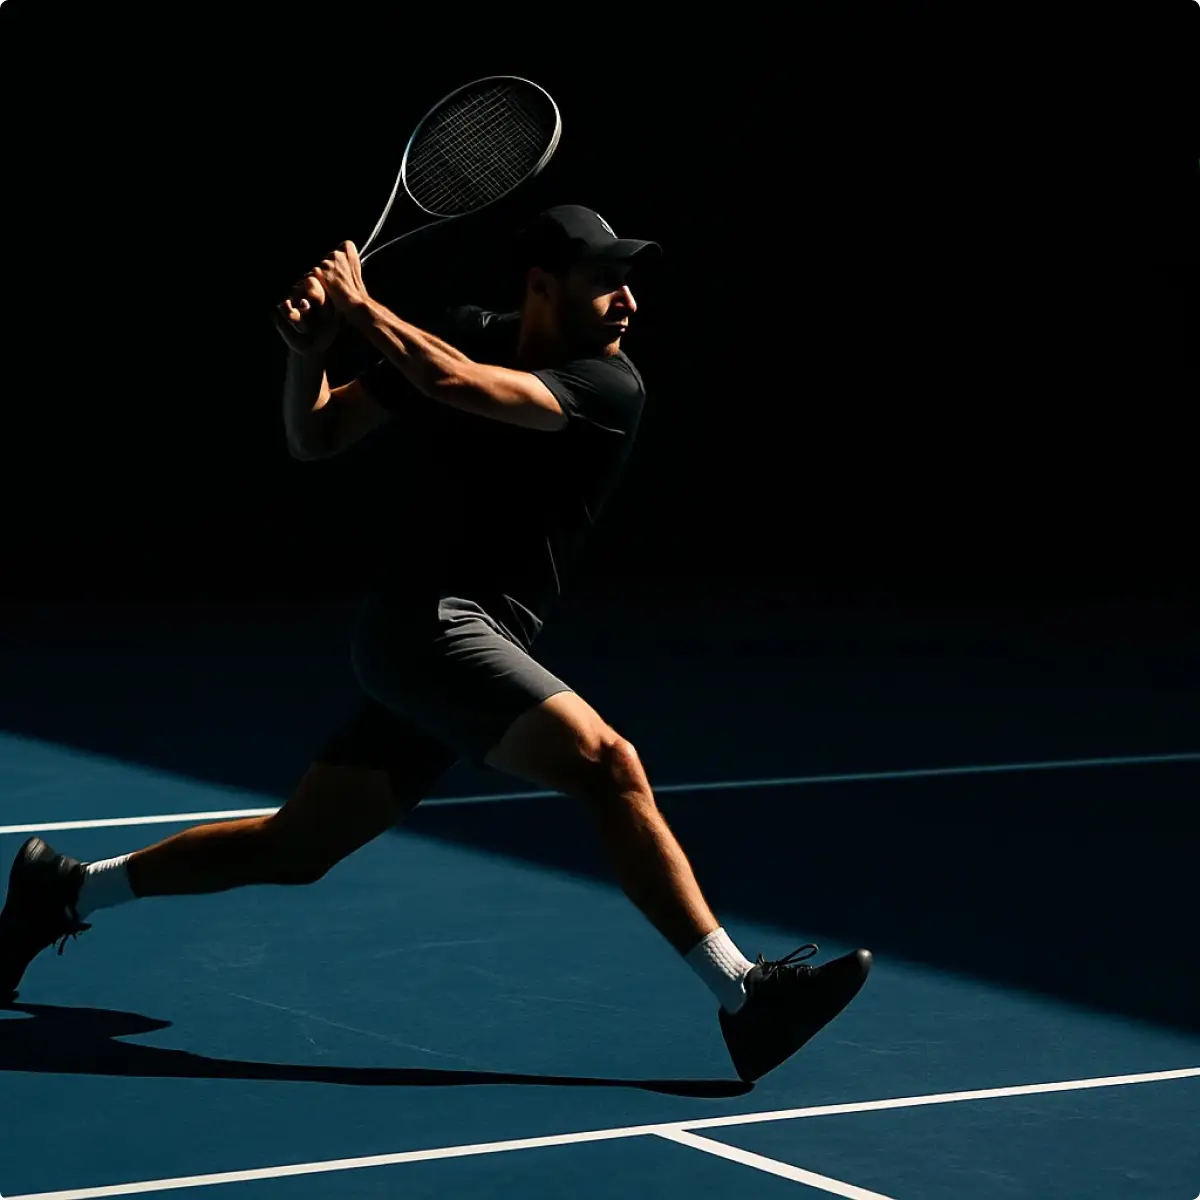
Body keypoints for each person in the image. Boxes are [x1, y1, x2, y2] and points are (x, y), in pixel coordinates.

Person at [0, 205, 871, 1083]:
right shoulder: (459, 331)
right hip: (427, 629)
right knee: (609, 766)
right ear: (542, 286)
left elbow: (457, 384)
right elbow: (316, 434)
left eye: (629, 281)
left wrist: (358, 306)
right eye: (606, 280)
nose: (629, 301)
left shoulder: (608, 386)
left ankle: (64, 887)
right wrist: (309, 354)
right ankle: (744, 995)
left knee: (294, 849)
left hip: (462, 646)